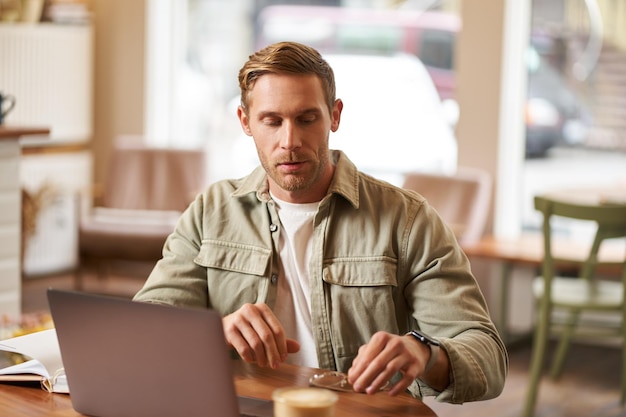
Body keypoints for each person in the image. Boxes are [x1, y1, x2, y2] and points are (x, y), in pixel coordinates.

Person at [133, 41, 508, 404]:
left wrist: (423, 352)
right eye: (272, 121)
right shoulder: (209, 211)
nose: (290, 140)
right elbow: (142, 330)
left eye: (306, 118)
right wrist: (214, 333)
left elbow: (486, 358)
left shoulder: (406, 219)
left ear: (335, 115)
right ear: (246, 122)